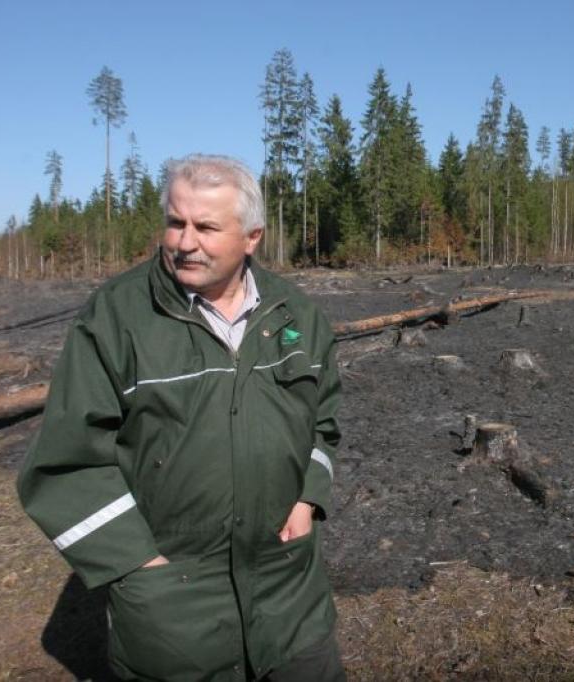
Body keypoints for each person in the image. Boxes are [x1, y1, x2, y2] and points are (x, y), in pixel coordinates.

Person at [17, 154, 345, 681]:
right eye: (176, 222)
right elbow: (65, 464)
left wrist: (307, 498)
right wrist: (140, 567)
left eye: (207, 227)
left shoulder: (295, 314)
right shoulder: (116, 317)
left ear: (252, 237)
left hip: (289, 595)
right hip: (173, 612)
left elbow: (324, 422)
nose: (184, 241)